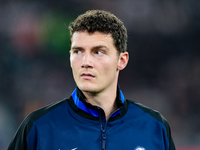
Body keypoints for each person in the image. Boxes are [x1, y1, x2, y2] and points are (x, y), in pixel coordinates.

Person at [8, 10, 176, 150]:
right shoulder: (38, 127)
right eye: (78, 51)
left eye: (98, 52)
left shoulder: (154, 127)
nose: (85, 62)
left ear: (121, 60)